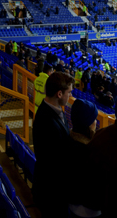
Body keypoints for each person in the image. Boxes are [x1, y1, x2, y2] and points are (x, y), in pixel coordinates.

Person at [34, 72, 74, 218]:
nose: (70, 96)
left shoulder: (52, 110)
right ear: (59, 94)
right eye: (68, 92)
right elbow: (57, 162)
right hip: (52, 192)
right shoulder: (48, 122)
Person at [66, 99, 100, 218]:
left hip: (71, 204)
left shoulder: (68, 139)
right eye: (94, 119)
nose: (96, 122)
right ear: (89, 123)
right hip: (86, 211)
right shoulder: (87, 151)